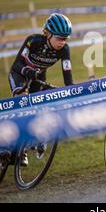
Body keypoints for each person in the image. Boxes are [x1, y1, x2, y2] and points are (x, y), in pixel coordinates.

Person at [8, 13, 74, 165]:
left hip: (38, 77)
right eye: (59, 38)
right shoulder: (33, 41)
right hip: (19, 74)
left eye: (65, 39)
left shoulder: (64, 50)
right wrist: (27, 71)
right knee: (22, 103)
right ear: (48, 34)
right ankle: (18, 148)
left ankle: (38, 137)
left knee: (40, 107)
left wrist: (72, 93)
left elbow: (68, 80)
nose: (62, 42)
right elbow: (17, 65)